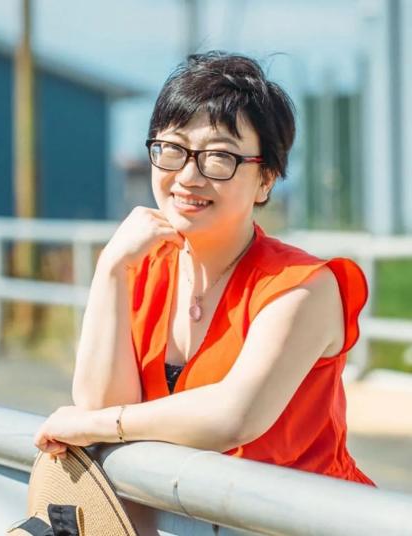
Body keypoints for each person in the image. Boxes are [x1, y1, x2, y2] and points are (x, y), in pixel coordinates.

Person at [34, 51, 376, 487]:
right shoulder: (141, 269)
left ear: (266, 179)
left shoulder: (303, 287)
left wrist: (96, 425)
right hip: (186, 514)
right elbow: (100, 404)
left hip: (305, 515)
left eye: (218, 157)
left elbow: (233, 417)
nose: (188, 177)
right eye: (173, 149)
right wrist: (111, 268)